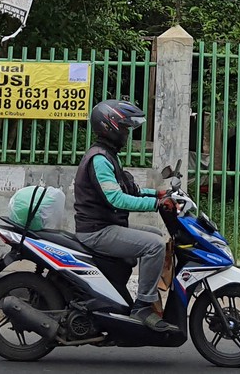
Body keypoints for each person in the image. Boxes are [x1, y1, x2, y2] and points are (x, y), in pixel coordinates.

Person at [75, 99, 178, 333]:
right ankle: (143, 305)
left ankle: (147, 295)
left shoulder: (108, 155)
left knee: (155, 235)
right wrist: (156, 204)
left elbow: (127, 189)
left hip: (105, 225)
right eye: (124, 128)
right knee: (153, 245)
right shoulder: (99, 159)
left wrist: (158, 192)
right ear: (109, 127)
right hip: (97, 230)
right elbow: (116, 199)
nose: (126, 134)